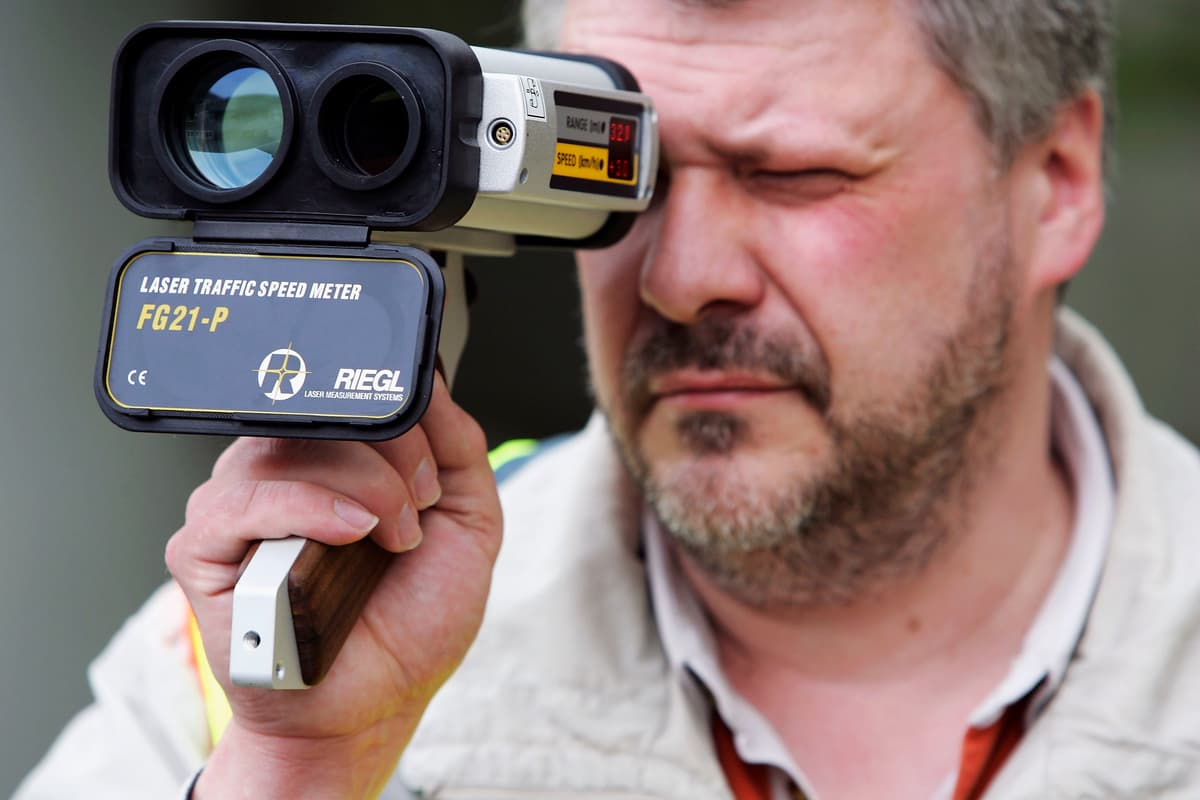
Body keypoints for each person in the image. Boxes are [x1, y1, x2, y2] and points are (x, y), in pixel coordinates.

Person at [18, 0, 1200, 798]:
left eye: (793, 176)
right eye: (619, 184)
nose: (683, 277)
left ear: (1056, 183)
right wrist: (302, 764)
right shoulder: (253, 658)